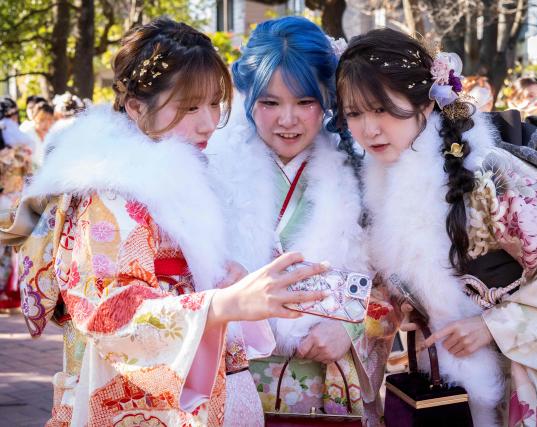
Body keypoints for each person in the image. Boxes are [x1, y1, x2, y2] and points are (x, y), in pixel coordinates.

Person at [5, 18, 329, 426]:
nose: (208, 122)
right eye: (190, 107)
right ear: (136, 106)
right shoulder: (110, 188)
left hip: (196, 376)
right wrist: (221, 302)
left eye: (214, 104)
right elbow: (109, 310)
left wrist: (222, 279)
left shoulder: (181, 168)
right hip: (136, 392)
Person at [335, 28, 537, 426]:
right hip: (455, 375)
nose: (369, 129)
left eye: (382, 109)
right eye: (355, 113)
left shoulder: (488, 175)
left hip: (532, 368)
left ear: (426, 104)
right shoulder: (380, 177)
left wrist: (492, 326)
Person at [207, 16, 400, 426]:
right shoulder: (210, 166)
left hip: (324, 377)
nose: (288, 120)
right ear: (247, 99)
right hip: (230, 375)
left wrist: (350, 329)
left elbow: (394, 281)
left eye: (305, 102)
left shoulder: (362, 170)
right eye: (270, 103)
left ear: (327, 99)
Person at [0, 97, 32, 310]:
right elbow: (28, 174)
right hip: (15, 199)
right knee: (17, 248)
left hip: (6, 198)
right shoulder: (22, 149)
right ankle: (13, 293)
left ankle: (4, 292)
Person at [23, 100, 55, 168]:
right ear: (34, 118)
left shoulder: (53, 136)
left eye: (49, 120)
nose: (46, 124)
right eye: (42, 120)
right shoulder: (26, 135)